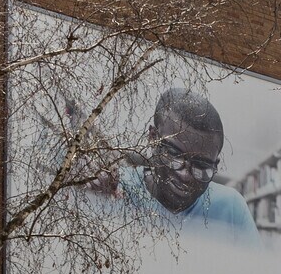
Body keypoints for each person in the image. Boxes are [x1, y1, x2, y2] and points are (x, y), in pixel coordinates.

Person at [85, 86, 258, 237]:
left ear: (215, 165)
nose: (185, 175)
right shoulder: (112, 185)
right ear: (153, 138)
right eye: (174, 155)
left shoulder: (232, 209)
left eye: (201, 165)